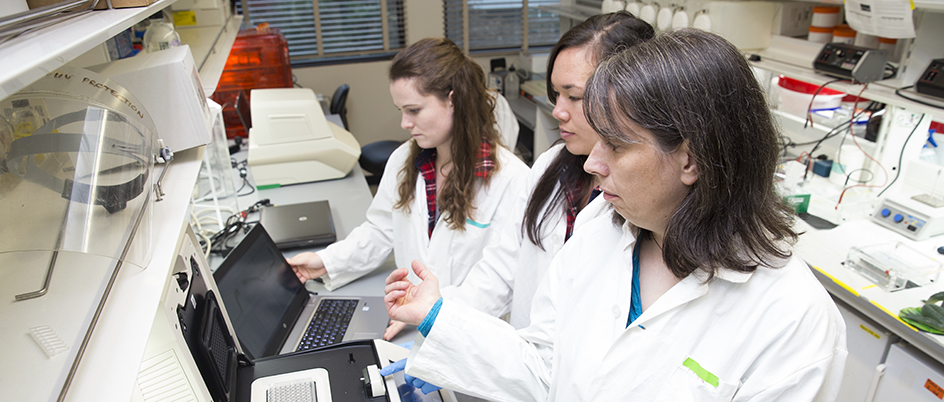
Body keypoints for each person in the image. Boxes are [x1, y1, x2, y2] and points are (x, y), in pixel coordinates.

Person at [382, 29, 847, 400]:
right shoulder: (599, 229)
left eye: (617, 145)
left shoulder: (792, 319)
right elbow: (545, 368)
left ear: (692, 158)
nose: (591, 163)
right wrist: (437, 317)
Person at [407, 12, 654, 339]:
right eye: (557, 94)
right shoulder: (551, 166)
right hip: (527, 366)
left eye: (574, 96)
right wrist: (437, 318)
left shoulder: (645, 201)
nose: (557, 110)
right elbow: (502, 268)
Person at [288, 38, 529, 294]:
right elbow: (382, 230)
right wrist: (324, 262)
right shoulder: (405, 160)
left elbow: (498, 282)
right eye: (401, 110)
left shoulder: (512, 181)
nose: (404, 123)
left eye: (413, 110)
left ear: (454, 101)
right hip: (410, 314)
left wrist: (431, 312)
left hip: (464, 327)